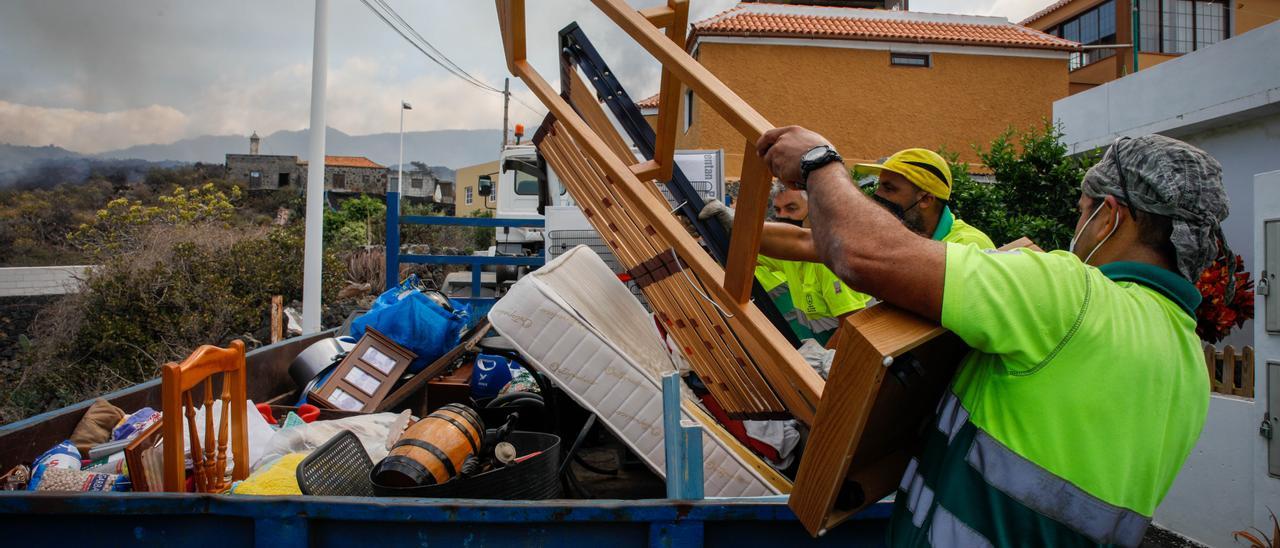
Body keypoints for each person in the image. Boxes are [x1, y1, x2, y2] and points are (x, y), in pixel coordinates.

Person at [756, 127, 1228, 547]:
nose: (1077, 227)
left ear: (1109, 217)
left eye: (1082, 211)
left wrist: (819, 162)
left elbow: (865, 254)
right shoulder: (1187, 361)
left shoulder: (1070, 295)